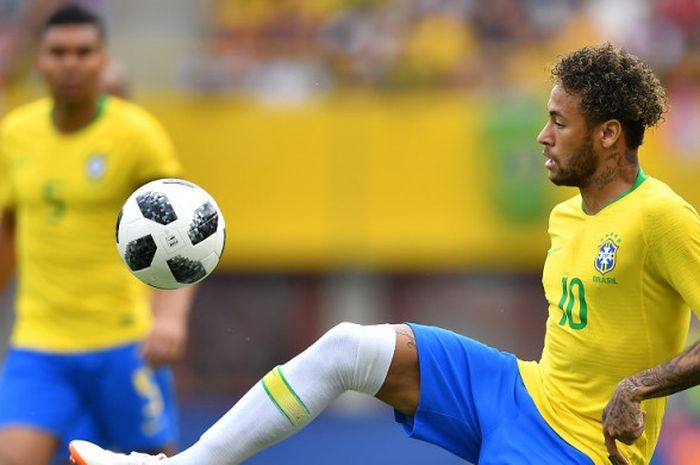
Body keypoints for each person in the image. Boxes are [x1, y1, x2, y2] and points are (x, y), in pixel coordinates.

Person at [70, 43, 700, 465]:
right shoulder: (568, 215)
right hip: (523, 391)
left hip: (580, 448)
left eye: (560, 122)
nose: (543, 134)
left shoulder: (661, 217)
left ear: (610, 133)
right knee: (349, 346)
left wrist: (639, 387)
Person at [0, 4, 197, 465]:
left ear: (103, 60)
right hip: (39, 346)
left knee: (156, 461)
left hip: (124, 345)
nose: (72, 62)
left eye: (84, 52)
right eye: (59, 51)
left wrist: (170, 318)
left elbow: (185, 233)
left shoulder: (136, 135)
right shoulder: (14, 136)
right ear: (40, 61)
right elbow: (7, 228)